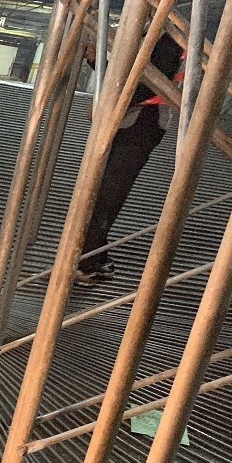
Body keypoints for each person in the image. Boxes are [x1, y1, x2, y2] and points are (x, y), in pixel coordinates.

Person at [76, 32, 185, 287]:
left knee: (107, 193)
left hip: (143, 122)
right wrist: (98, 64)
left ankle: (87, 262)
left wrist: (109, 103)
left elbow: (149, 84)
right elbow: (131, 75)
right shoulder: (154, 31)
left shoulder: (169, 38)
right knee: (103, 190)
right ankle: (97, 257)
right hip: (133, 120)